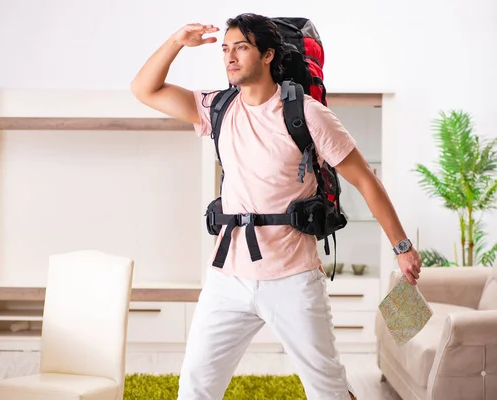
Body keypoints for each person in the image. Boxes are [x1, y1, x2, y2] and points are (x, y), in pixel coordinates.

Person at [131, 12, 422, 400]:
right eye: (226, 49)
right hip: (227, 278)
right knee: (195, 388)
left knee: (327, 389)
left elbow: (365, 179)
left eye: (242, 47)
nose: (230, 57)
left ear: (267, 55)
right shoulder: (217, 108)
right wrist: (176, 42)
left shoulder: (306, 114)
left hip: (293, 277)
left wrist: (402, 247)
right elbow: (144, 90)